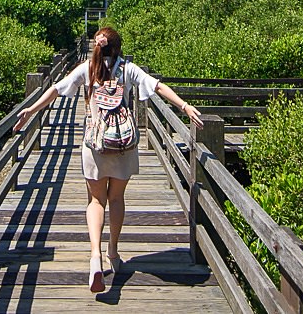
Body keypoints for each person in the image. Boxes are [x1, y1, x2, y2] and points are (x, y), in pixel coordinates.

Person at [12, 27, 204, 294]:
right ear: (118, 47)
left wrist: (31, 109)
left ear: (97, 47)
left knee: (95, 200)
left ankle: (95, 257)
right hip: (123, 146)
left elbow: (56, 90)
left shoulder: (86, 69)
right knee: (116, 199)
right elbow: (157, 86)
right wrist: (184, 106)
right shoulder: (128, 69)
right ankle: (113, 252)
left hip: (96, 145)